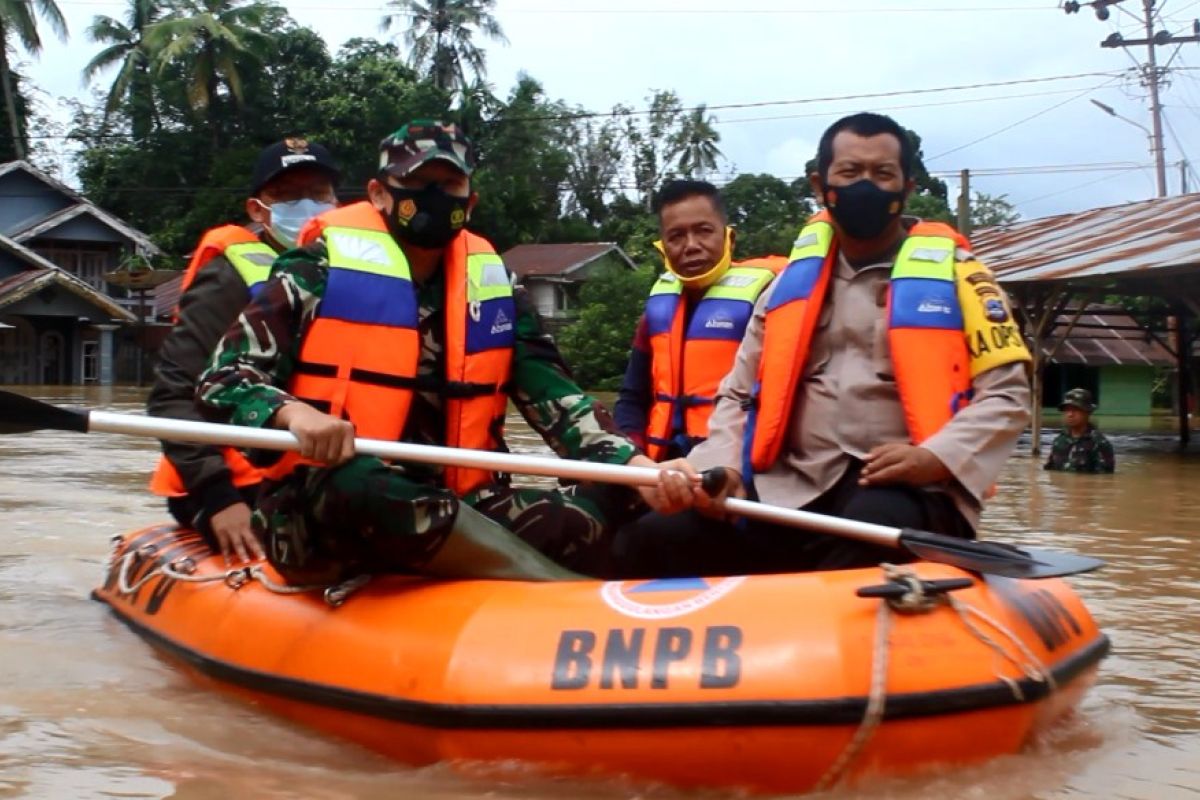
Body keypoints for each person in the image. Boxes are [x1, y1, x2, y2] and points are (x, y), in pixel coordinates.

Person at [196, 120, 655, 584]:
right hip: (329, 505)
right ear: (378, 193)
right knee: (358, 484)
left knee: (599, 505)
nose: (434, 196)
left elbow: (557, 397)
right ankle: (553, 585)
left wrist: (636, 467)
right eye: (415, 183)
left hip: (461, 503)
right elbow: (224, 378)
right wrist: (293, 415)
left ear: (469, 200)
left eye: (448, 184)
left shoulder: (494, 285)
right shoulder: (315, 267)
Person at [611, 112, 1033, 579]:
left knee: (864, 534)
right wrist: (720, 468)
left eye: (883, 173)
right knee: (646, 539)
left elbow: (1007, 397)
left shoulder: (961, 277)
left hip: (910, 490)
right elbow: (737, 395)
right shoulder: (787, 288)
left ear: (907, 187)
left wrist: (934, 457)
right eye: (850, 173)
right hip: (791, 487)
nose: (866, 186)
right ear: (820, 183)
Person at [147, 137, 340, 563]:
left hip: (319, 473)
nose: (307, 206)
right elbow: (173, 393)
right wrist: (219, 499)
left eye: (318, 194)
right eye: (288, 196)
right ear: (257, 210)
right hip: (234, 483)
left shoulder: (352, 270)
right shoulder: (229, 277)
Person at [614, 180, 785, 460]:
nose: (691, 246)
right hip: (658, 466)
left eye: (704, 231)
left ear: (729, 238)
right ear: (663, 247)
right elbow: (632, 398)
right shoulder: (657, 310)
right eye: (676, 236)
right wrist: (633, 457)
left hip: (731, 464)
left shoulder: (770, 298)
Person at [1044, 388, 1115, 473]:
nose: (1070, 414)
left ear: (1087, 412)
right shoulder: (1059, 441)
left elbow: (1105, 480)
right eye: (1067, 410)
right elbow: (1051, 472)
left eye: (1075, 410)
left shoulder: (1099, 443)